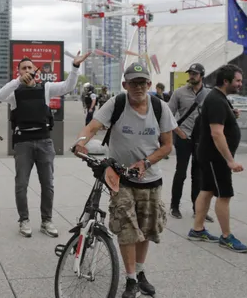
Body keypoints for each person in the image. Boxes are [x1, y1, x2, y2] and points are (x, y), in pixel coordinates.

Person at [74, 62, 175, 298]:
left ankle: (139, 272)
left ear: (149, 84)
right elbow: (93, 126)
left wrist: (146, 162)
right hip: (121, 179)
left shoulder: (160, 107)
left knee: (146, 229)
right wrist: (81, 141)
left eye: (142, 82)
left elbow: (168, 146)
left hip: (151, 179)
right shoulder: (117, 103)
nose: (138, 87)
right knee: (127, 229)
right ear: (125, 85)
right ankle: (130, 279)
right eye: (133, 83)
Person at [0, 51, 90, 238]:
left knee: (47, 184)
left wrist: (75, 67)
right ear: (18, 71)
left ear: (35, 71)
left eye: (30, 67)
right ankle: (24, 220)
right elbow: (0, 96)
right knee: (21, 184)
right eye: (23, 68)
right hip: (23, 143)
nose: (27, 70)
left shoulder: (45, 88)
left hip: (44, 142)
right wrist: (18, 81)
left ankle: (46, 221)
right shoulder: (14, 91)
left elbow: (68, 86)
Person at [190, 64, 247, 253]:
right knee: (224, 195)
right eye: (237, 80)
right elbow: (217, 133)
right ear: (226, 81)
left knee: (206, 190)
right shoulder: (216, 100)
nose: (240, 84)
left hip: (209, 155)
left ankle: (197, 229)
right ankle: (226, 237)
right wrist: (230, 160)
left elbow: (218, 123)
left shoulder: (219, 98)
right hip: (216, 158)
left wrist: (232, 116)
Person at [167, 63, 214, 222]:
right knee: (181, 173)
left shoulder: (209, 94)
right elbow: (168, 114)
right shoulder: (179, 93)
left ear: (202, 75)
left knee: (198, 175)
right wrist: (178, 132)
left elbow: (217, 113)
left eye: (195, 74)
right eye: (190, 73)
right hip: (183, 137)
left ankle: (198, 209)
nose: (192, 76)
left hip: (201, 140)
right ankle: (174, 206)